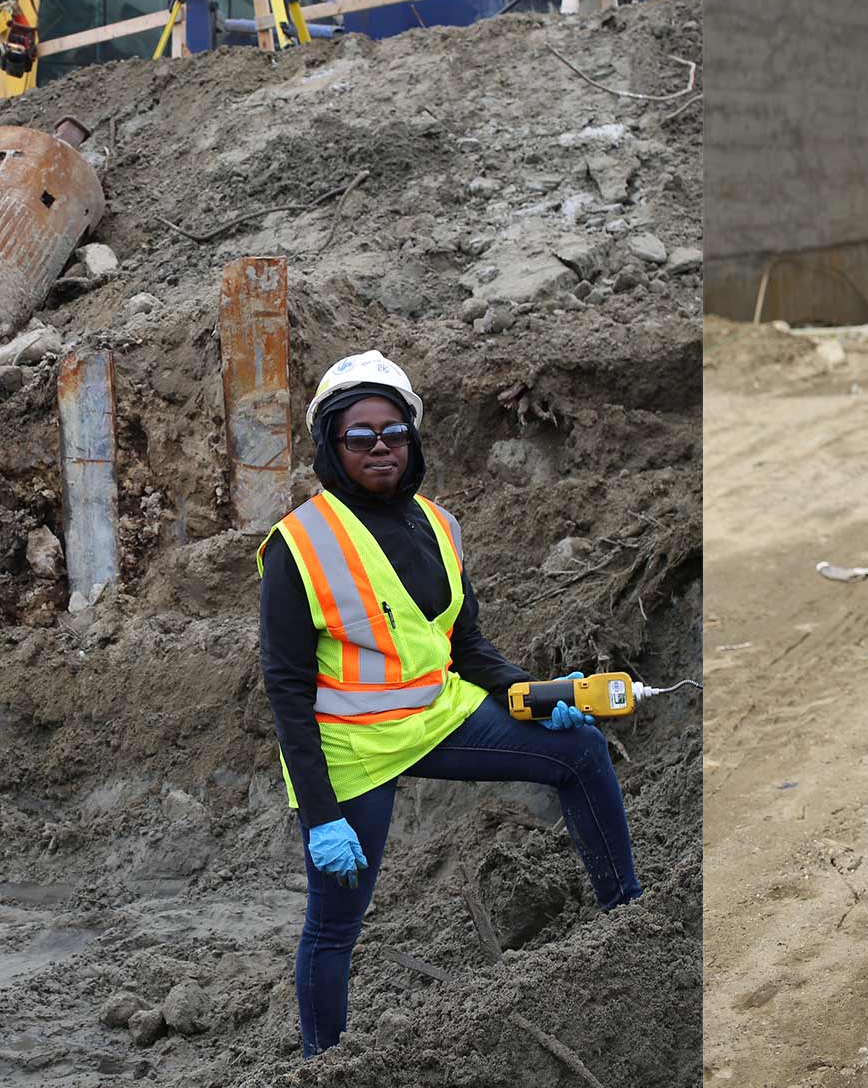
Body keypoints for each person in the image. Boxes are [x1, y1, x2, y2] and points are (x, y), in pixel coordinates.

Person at [256, 351, 642, 1057]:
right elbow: (285, 687)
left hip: (439, 715)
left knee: (580, 749)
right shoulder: (297, 547)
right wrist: (319, 816)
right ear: (330, 447)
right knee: (336, 924)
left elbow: (467, 645)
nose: (380, 448)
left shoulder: (438, 525)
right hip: (353, 751)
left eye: (393, 433)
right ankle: (322, 1066)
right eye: (360, 435)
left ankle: (631, 923)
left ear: (413, 439)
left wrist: (528, 693)